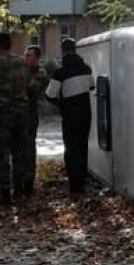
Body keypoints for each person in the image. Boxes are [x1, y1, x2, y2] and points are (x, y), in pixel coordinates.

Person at [46, 38, 93, 195]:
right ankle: (82, 181)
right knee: (82, 147)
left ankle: (74, 184)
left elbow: (49, 95)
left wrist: (61, 104)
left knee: (71, 149)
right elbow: (91, 86)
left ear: (63, 51)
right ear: (75, 50)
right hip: (86, 114)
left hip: (70, 116)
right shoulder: (87, 69)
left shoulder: (60, 73)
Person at [0, 33, 30, 205]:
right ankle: (19, 189)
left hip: (2, 114)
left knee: (2, 154)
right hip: (21, 113)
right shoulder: (22, 63)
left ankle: (5, 193)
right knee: (20, 152)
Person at [23, 45, 49, 196]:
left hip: (30, 116)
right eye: (25, 55)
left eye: (29, 56)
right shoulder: (22, 70)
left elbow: (34, 89)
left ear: (37, 58)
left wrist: (21, 76)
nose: (26, 58)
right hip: (18, 116)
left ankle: (28, 183)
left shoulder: (41, 73)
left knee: (28, 151)